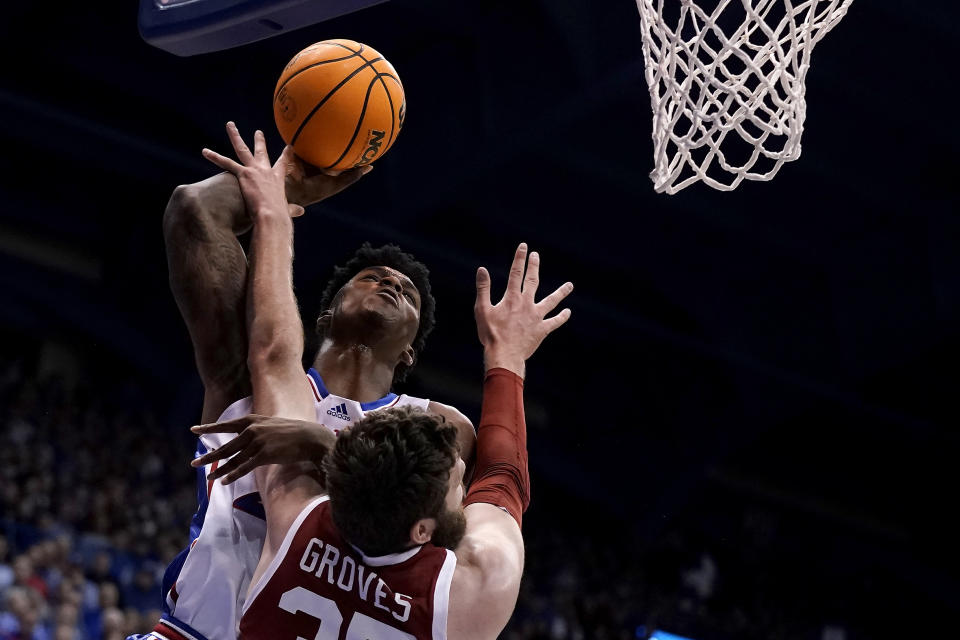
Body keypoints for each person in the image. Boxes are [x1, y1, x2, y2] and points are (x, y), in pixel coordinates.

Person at [205, 127, 572, 638]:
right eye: (454, 474)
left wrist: (273, 213)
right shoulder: (462, 598)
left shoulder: (298, 524)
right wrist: (507, 357)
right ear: (423, 530)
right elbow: (502, 482)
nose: (460, 468)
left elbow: (272, 351)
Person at [142, 123, 474, 640]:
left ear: (410, 348)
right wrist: (290, 187)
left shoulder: (436, 426)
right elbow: (193, 211)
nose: (388, 281)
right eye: (370, 277)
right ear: (324, 316)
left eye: (406, 292)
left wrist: (325, 444)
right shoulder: (246, 381)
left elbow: (438, 534)